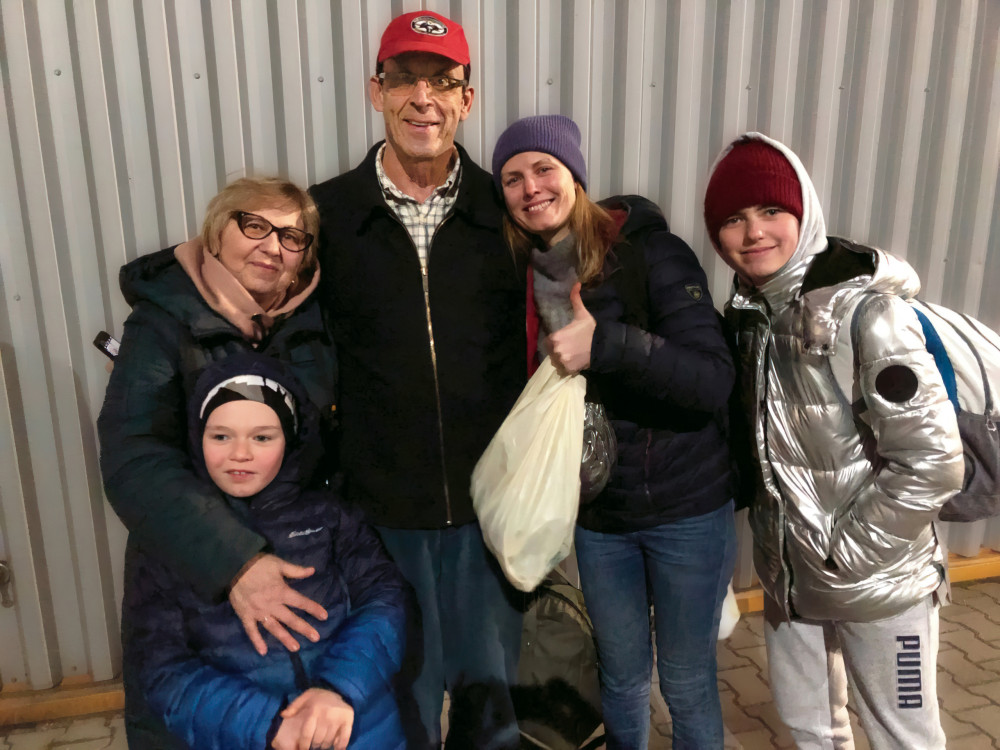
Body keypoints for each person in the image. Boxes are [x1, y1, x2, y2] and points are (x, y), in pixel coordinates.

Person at [308, 10, 526, 749]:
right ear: (377, 92)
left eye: (443, 81)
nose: (423, 98)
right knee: (397, 713)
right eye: (404, 79)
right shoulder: (328, 217)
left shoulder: (509, 214)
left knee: (490, 717)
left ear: (468, 99)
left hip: (489, 519)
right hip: (379, 519)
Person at [703, 132, 964, 749]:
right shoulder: (748, 316)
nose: (753, 232)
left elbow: (933, 462)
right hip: (790, 581)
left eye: (771, 211)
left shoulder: (868, 314)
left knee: (904, 736)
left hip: (879, 583)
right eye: (733, 219)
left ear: (804, 213)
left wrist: (844, 552)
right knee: (810, 729)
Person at [493, 114, 738, 749]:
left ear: (574, 175)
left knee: (685, 682)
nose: (530, 188)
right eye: (512, 178)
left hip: (684, 508)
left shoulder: (651, 252)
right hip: (600, 521)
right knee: (622, 680)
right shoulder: (522, 272)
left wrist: (611, 346)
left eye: (544, 169)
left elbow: (713, 380)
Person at [98, 177, 338, 746]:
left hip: (300, 573)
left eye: (292, 237)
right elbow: (134, 457)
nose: (271, 246)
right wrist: (234, 562)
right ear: (216, 232)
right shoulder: (162, 324)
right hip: (193, 579)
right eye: (253, 226)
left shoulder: (312, 322)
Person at [126, 353, 407, 750]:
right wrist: (269, 724)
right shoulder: (173, 543)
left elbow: (384, 600)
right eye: (221, 436)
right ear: (197, 437)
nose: (240, 453)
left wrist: (339, 688)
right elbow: (162, 670)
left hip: (357, 728)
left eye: (262, 437)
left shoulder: (330, 516)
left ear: (290, 439)